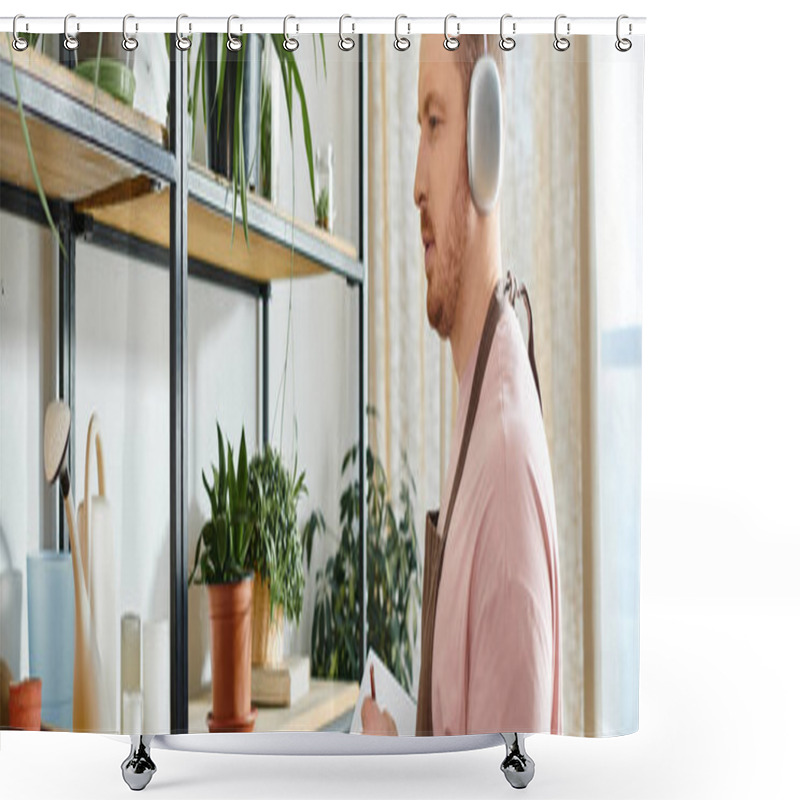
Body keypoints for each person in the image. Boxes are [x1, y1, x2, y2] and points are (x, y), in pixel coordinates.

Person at [361, 34, 561, 737]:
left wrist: (386, 776)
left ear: (487, 139)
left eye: (435, 123)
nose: (415, 181)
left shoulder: (503, 469)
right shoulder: (479, 401)